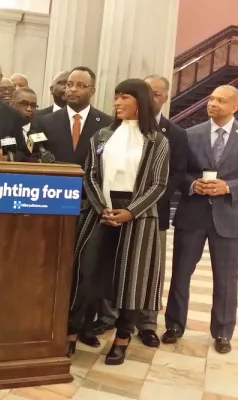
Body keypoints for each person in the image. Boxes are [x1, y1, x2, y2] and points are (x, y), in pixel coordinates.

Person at [67, 79, 169, 366]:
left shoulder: (157, 140)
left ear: (141, 101)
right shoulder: (101, 135)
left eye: (125, 97)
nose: (118, 102)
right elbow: (90, 175)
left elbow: (159, 184)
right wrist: (102, 208)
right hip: (101, 210)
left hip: (137, 216)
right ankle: (71, 331)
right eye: (116, 97)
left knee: (130, 280)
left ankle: (122, 338)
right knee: (85, 274)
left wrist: (130, 211)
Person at [164, 85, 238, 355]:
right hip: (192, 215)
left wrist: (228, 186)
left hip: (229, 217)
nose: (213, 104)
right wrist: (191, 184)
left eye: (221, 101)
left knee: (226, 279)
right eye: (211, 99)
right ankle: (174, 325)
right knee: (181, 274)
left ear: (235, 106)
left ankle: (222, 332)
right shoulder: (190, 134)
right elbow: (178, 172)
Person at [95, 75, 189, 348]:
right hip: (109, 209)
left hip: (149, 211)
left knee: (142, 273)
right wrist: (104, 206)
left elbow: (172, 176)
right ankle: (108, 318)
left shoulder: (170, 136)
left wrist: (137, 207)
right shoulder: (107, 133)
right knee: (110, 267)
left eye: (158, 93)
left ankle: (144, 325)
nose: (118, 102)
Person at [33, 67, 112, 166]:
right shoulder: (45, 122)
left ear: (92, 91)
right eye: (69, 84)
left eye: (81, 85)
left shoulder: (106, 123)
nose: (73, 89)